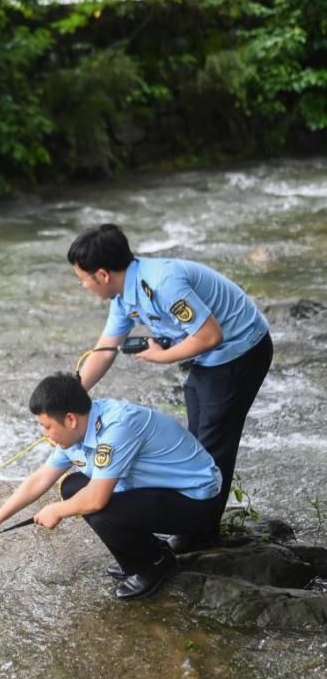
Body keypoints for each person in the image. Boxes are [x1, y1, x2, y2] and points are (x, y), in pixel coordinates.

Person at [67, 223, 272, 547]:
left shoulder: (162, 283)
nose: (83, 285)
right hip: (208, 356)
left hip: (240, 349)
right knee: (197, 436)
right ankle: (194, 517)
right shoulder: (124, 297)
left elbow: (210, 336)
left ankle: (200, 531)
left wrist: (162, 357)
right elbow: (105, 350)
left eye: (82, 278)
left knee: (215, 438)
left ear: (103, 274)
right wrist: (73, 396)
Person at [0, 372, 222, 600]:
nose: (45, 434)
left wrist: (57, 510)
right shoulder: (78, 431)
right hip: (159, 492)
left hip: (195, 502)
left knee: (100, 511)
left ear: (70, 419)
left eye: (47, 427)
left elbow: (96, 499)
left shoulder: (117, 427)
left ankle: (154, 564)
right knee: (73, 487)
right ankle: (149, 552)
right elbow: (40, 478)